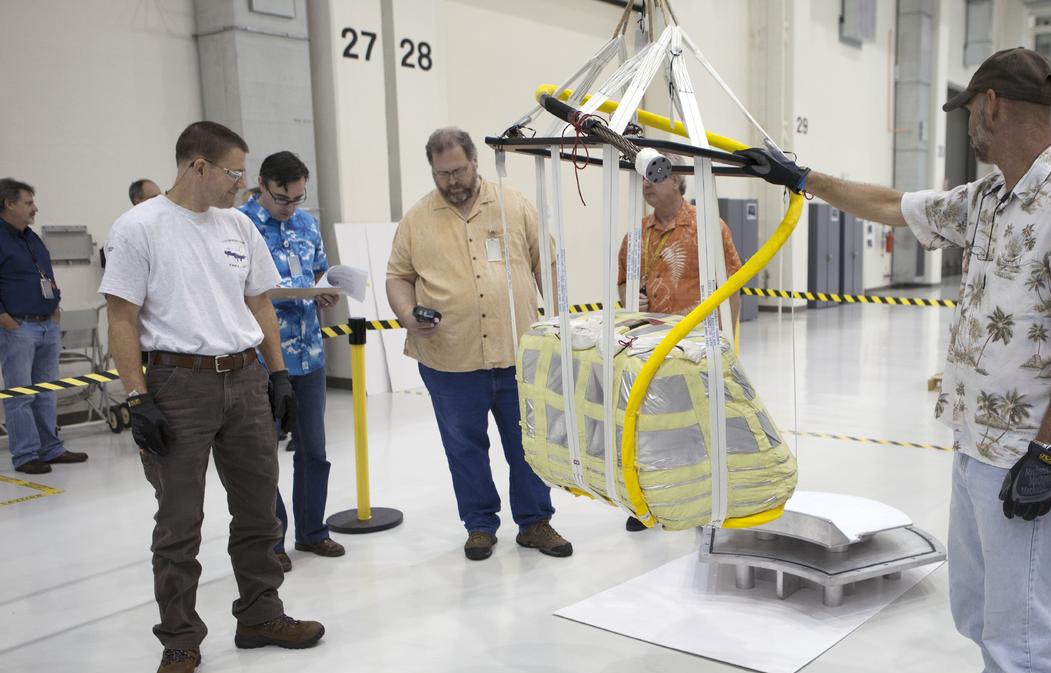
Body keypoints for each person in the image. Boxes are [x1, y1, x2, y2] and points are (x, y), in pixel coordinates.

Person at [743, 47, 1051, 673]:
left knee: (1023, 621)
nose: (971, 132)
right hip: (979, 445)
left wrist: (1048, 452)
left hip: (1030, 456)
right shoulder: (987, 199)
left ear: (991, 107)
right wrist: (801, 177)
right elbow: (890, 204)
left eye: (971, 118)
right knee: (984, 610)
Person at [100, 121, 324, 673]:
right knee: (179, 522)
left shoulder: (237, 227)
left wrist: (278, 376)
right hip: (177, 386)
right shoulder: (138, 228)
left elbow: (260, 304)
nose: (240, 183)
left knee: (258, 510)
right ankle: (179, 641)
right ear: (197, 166)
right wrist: (136, 394)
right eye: (233, 172)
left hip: (244, 377)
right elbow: (121, 317)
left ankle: (259, 614)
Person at [385, 127, 571, 561]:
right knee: (464, 448)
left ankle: (535, 522)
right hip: (449, 357)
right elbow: (398, 277)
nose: (452, 181)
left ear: (475, 162)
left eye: (459, 170)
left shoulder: (513, 204)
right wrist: (408, 315)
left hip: (517, 354)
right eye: (442, 173)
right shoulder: (417, 219)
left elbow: (548, 264)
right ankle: (480, 525)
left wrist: (560, 328)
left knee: (528, 444)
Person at [615, 159, 744, 532]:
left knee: (701, 424)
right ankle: (649, 503)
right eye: (642, 179)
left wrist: (728, 342)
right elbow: (623, 283)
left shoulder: (708, 228)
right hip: (652, 346)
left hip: (697, 347)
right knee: (652, 427)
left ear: (676, 180)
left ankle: (705, 501)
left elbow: (732, 286)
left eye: (655, 177)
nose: (646, 185)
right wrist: (629, 298)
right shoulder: (636, 235)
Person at [239, 151, 344, 571]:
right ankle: (273, 540)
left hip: (310, 355)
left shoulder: (306, 223)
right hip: (261, 360)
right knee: (264, 459)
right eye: (283, 198)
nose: (291, 207)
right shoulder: (240, 226)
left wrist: (325, 290)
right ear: (263, 184)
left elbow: (318, 272)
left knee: (314, 451)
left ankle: (313, 531)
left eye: (298, 198)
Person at [0, 178, 89, 475]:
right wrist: (6, 320)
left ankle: (50, 448)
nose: (35, 208)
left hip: (46, 324)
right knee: (21, 394)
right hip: (18, 328)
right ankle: (25, 455)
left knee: (47, 391)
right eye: (28, 202)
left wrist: (55, 308)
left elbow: (46, 275)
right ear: (8, 203)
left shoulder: (31, 237)